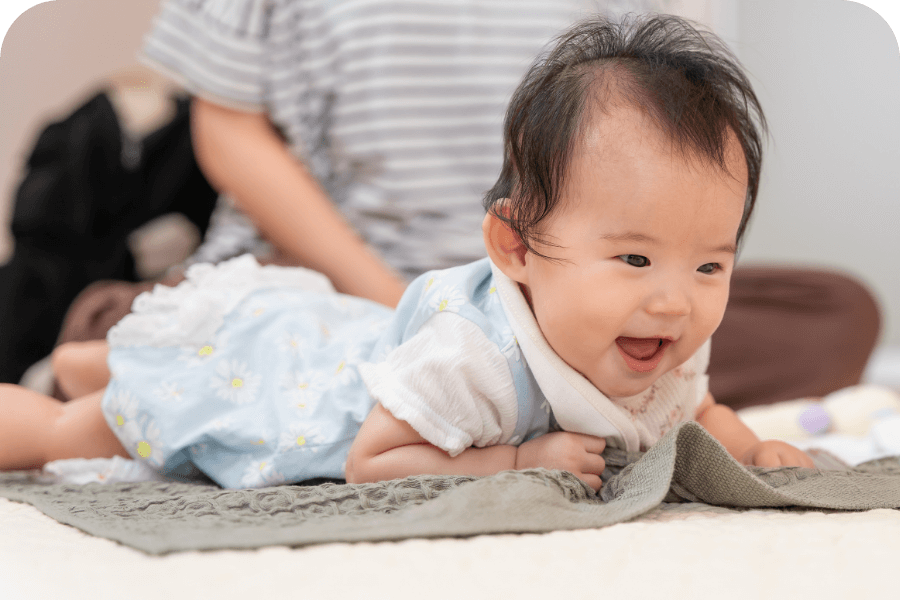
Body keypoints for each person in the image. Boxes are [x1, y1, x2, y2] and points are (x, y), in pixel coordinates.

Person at [0, 14, 814, 491]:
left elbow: (694, 409)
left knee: (837, 307)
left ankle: (101, 355)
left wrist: (747, 448)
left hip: (346, 326)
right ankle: (79, 383)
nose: (678, 301)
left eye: (711, 266)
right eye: (636, 260)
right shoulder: (474, 360)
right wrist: (518, 458)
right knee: (94, 431)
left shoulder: (662, 337)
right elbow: (371, 460)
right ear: (512, 246)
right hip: (304, 386)